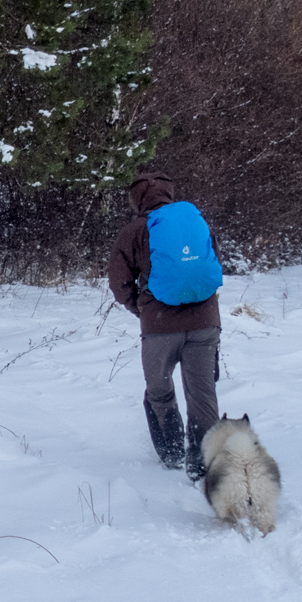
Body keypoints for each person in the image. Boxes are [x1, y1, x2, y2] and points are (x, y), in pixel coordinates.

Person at [107, 172, 221, 476]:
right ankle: (204, 461)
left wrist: (142, 308)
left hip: (159, 327)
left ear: (136, 199)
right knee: (203, 392)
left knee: (159, 389)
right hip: (206, 322)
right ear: (169, 193)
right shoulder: (194, 220)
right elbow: (212, 263)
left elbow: (119, 283)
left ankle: (171, 455)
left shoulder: (134, 231)